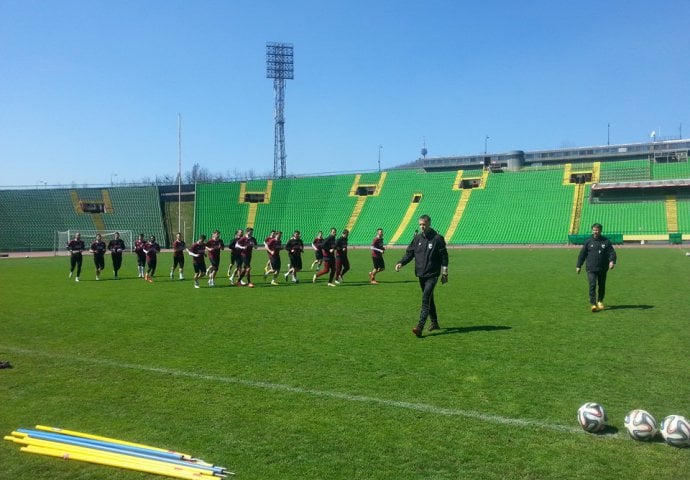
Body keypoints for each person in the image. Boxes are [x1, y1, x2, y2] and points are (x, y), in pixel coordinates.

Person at [396, 215, 449, 337]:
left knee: (425, 299)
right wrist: (401, 262)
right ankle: (434, 323)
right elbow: (410, 254)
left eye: (424, 224)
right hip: (421, 274)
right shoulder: (417, 238)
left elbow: (444, 257)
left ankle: (420, 326)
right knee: (429, 298)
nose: (422, 227)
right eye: (420, 224)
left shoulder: (437, 239)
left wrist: (445, 273)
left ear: (429, 223)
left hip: (433, 274)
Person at [576, 223, 617, 312]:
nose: (596, 231)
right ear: (592, 230)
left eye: (597, 230)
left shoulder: (606, 241)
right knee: (592, 285)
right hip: (591, 268)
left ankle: (600, 301)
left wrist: (612, 261)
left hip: (602, 268)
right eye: (594, 230)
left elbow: (612, 252)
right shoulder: (588, 241)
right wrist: (579, 265)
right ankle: (593, 304)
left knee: (601, 285)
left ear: (601, 231)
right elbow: (582, 254)